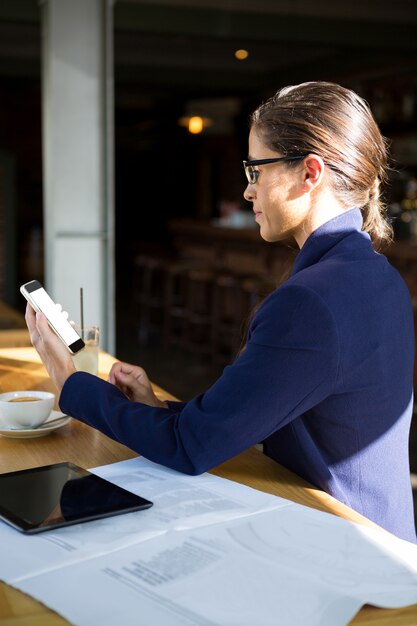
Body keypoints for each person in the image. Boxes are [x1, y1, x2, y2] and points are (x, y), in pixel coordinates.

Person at [26, 81, 416, 543]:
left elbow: (190, 447)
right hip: (383, 529)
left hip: (342, 543)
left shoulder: (308, 302)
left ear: (310, 173)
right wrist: (159, 410)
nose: (248, 192)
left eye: (256, 171)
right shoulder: (378, 274)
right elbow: (266, 405)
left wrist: (66, 377)